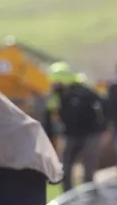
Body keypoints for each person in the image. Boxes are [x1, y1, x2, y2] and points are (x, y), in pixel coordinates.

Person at [43, 62, 108, 192]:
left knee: (88, 169)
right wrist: (49, 135)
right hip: (70, 134)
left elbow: (102, 107)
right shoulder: (57, 96)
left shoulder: (84, 92)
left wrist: (102, 127)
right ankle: (68, 197)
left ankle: (90, 197)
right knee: (65, 168)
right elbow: (49, 114)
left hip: (90, 134)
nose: (55, 85)